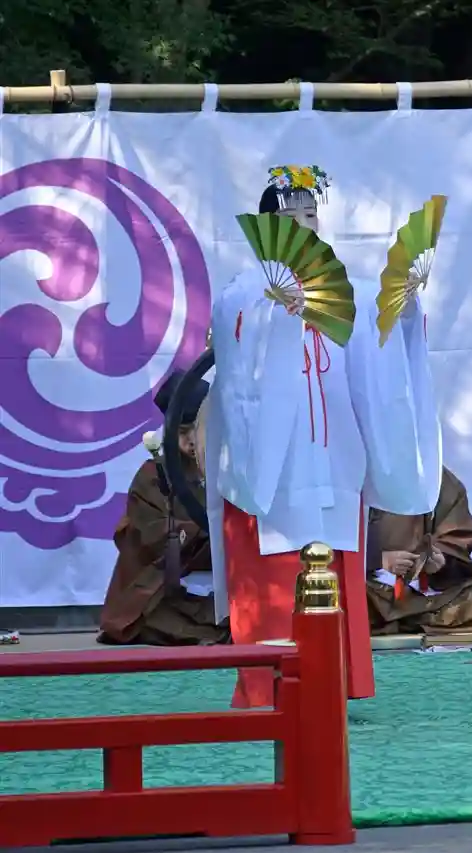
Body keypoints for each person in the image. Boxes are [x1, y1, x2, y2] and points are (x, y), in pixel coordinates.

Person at [205, 164, 442, 708]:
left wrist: (404, 307)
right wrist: (274, 316)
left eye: (311, 214)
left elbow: (379, 347)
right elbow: (236, 363)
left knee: (334, 568)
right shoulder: (245, 291)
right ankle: (267, 688)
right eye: (291, 216)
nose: (304, 225)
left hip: (332, 453)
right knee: (272, 575)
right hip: (275, 463)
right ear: (269, 224)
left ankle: (332, 686)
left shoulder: (343, 289)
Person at [99, 370, 229, 646]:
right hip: (168, 586)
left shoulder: (228, 470)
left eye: (198, 430)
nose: (192, 440)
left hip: (223, 582)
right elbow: (152, 536)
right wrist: (206, 534)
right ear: (169, 432)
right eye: (183, 433)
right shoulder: (153, 475)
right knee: (156, 618)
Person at [366, 467, 472, 634]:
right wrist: (378, 559)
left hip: (423, 597)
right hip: (371, 590)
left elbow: (456, 540)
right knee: (351, 598)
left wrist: (441, 561)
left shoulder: (436, 474)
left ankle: (407, 621)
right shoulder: (352, 470)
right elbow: (340, 542)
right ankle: (408, 621)